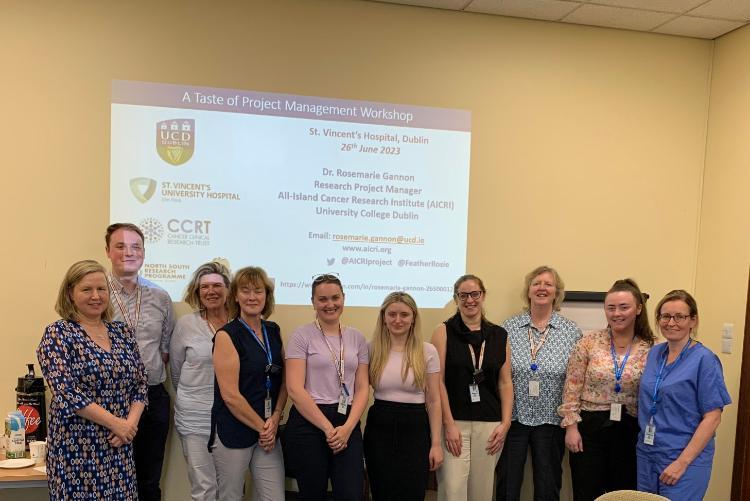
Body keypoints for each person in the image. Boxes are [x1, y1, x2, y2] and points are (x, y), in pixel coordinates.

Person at [37, 260, 148, 500]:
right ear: (70, 293)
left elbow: (141, 383)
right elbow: (66, 392)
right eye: (87, 290)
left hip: (119, 444)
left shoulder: (122, 332)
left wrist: (128, 426)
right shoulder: (58, 334)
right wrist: (116, 424)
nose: (96, 296)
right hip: (76, 448)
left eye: (102, 289)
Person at [559, 278, 654, 500]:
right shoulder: (588, 342)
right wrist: (571, 428)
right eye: (611, 307)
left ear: (638, 309)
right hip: (589, 428)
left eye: (624, 307)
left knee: (622, 493)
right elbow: (571, 386)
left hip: (629, 430)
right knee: (586, 492)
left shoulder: (650, 347)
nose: (616, 313)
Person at [496, 266, 582, 501]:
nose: (542, 287)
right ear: (528, 291)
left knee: (548, 484)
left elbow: (576, 378)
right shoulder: (508, 328)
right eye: (536, 283)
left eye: (548, 284)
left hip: (552, 420)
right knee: (507, 484)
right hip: (514, 418)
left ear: (557, 293)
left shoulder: (570, 331)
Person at [636, 290, 731, 500]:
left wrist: (682, 462)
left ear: (693, 321)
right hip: (648, 452)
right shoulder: (654, 354)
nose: (671, 322)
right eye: (665, 316)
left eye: (679, 316)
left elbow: (713, 417)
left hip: (684, 457)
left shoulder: (705, 360)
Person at [104, 222, 175, 501]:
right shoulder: (96, 295)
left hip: (153, 398)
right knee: (110, 478)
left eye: (135, 247)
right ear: (108, 251)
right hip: (110, 401)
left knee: (148, 481)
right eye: (120, 246)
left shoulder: (160, 297)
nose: (128, 252)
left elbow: (164, 351)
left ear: (144, 253)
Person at [284, 274, 370, 501]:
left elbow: (362, 388)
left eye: (335, 298)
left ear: (344, 298)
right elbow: (294, 388)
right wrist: (327, 428)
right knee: (313, 494)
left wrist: (347, 428)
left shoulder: (357, 338)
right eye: (322, 299)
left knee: (351, 493)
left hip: (347, 422)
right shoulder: (301, 336)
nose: (330, 304)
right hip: (309, 422)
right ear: (313, 302)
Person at [432, 274, 513, 501]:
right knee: (453, 490)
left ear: (483, 296)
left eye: (475, 294)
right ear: (456, 298)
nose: (470, 300)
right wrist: (447, 424)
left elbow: (505, 382)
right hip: (453, 423)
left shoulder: (499, 335)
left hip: (489, 424)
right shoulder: (443, 331)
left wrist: (505, 423)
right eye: (463, 295)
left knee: (482, 492)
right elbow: (437, 381)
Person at [209, 266, 287, 501]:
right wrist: (263, 427)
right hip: (235, 430)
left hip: (268, 430)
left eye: (258, 291)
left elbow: (284, 380)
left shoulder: (273, 330)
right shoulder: (226, 335)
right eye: (245, 291)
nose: (252, 297)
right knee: (231, 496)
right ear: (235, 295)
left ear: (267, 296)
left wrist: (276, 416)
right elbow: (230, 395)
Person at [364, 291, 444, 501]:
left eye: (404, 314)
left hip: (415, 428)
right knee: (382, 491)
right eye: (391, 314)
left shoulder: (427, 351)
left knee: (412, 491)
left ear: (413, 318)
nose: (397, 320)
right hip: (379, 426)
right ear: (383, 317)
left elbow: (434, 400)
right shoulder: (371, 349)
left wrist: (436, 443)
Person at [169, 261, 231, 500]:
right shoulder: (186, 325)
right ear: (196, 291)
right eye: (204, 286)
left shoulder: (240, 324)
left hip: (233, 418)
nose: (211, 291)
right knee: (203, 488)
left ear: (228, 289)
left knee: (231, 487)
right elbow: (176, 371)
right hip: (194, 418)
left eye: (217, 285)